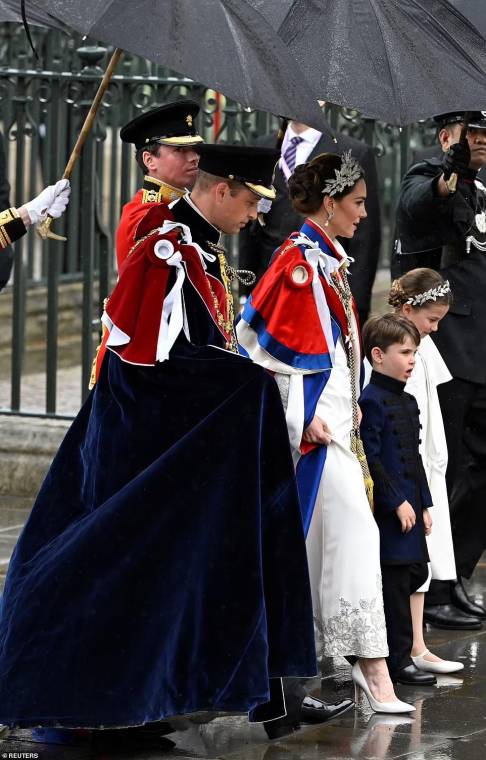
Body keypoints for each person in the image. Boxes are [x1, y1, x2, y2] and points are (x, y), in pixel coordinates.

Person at [0, 144, 334, 744]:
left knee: (168, 576)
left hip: (179, 444)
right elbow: (146, 360)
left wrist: (240, 377)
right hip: (139, 446)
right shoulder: (168, 246)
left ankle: (151, 700)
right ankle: (92, 708)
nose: (258, 215)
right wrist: (246, 383)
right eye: (254, 201)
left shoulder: (202, 246)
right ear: (223, 189)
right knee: (112, 566)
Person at [238, 151, 414, 715]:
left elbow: (336, 348)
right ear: (331, 202)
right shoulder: (299, 263)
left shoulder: (324, 259)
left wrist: (353, 402)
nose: (364, 214)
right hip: (317, 428)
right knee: (356, 539)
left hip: (340, 422)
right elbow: (263, 349)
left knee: (320, 547)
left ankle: (309, 669)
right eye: (357, 203)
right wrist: (298, 414)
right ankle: (372, 669)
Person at [393, 110, 486, 630]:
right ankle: (433, 587)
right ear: (447, 136)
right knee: (444, 467)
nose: (481, 142)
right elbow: (418, 208)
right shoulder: (429, 176)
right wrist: (452, 173)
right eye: (472, 134)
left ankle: (458, 575)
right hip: (451, 350)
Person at [238, 119, 381, 324]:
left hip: (324, 293)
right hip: (267, 288)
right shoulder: (262, 146)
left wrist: (355, 307)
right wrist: (246, 293)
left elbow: (366, 238)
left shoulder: (353, 151)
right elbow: (249, 229)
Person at [359, 315, 436, 687]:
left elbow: (414, 456)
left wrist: (424, 504)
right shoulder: (370, 401)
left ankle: (401, 653)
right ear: (377, 355)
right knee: (395, 581)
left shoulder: (406, 400)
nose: (411, 360)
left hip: (410, 507)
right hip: (391, 513)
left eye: (414, 352)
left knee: (417, 573)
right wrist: (396, 503)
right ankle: (396, 660)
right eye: (404, 352)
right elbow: (372, 458)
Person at [115, 100, 202, 269]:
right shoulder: (146, 216)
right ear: (149, 160)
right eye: (180, 150)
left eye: (194, 149)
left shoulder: (179, 204)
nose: (194, 157)